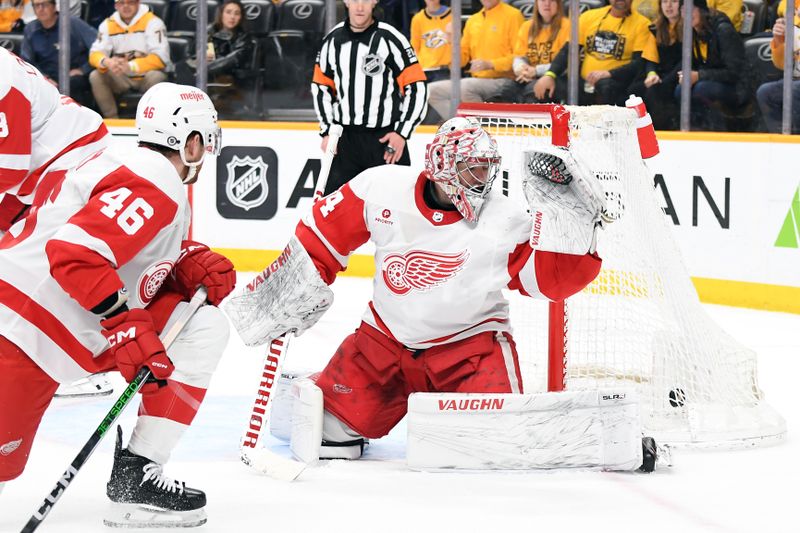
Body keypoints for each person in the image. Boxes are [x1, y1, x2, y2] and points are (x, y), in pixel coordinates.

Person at [241, 118, 604, 461]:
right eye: (473, 168)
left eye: (487, 168)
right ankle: (315, 386)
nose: (484, 179)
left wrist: (576, 236)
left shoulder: (505, 219)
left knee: (493, 443)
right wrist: (290, 288)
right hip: (382, 347)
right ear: (442, 167)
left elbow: (548, 282)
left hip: (468, 354)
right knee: (330, 433)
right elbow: (322, 236)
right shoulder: (381, 188)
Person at [0, 82, 236, 528]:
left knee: (200, 326)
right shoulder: (157, 180)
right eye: (206, 142)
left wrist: (181, 262)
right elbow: (75, 253)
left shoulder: (128, 163)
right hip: (20, 328)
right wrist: (122, 322)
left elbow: (115, 248)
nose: (206, 155)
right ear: (190, 142)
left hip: (60, 321)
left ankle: (137, 476)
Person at [311, 0, 428, 196]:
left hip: (384, 140)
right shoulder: (332, 41)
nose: (359, 7)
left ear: (374, 2)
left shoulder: (391, 39)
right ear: (346, 2)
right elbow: (321, 87)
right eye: (354, 0)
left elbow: (417, 86)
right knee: (334, 213)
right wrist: (327, 130)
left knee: (394, 211)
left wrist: (402, 132)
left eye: (365, 0)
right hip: (344, 142)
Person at [0, 47, 108, 233]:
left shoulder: (4, 82)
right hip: (44, 160)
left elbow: (11, 169)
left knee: (24, 251)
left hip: (73, 155)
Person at [534, 0, 657, 105]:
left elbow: (638, 64)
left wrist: (609, 73)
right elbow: (569, 50)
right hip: (583, 83)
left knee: (606, 86)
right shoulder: (589, 17)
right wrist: (550, 74)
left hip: (615, 84)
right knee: (546, 85)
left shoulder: (642, 24)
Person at [427, 0, 524, 121]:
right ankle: (461, 124)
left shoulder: (513, 15)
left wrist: (491, 64)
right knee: (431, 91)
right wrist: (453, 41)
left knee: (466, 87)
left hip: (505, 80)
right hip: (476, 80)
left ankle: (480, 130)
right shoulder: (473, 20)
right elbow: (460, 62)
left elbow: (520, 56)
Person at [88, 0, 170, 118]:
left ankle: (153, 120)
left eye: (130, 2)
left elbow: (161, 58)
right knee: (96, 75)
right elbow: (94, 53)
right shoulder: (107, 24)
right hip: (121, 75)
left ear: (138, 3)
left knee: (157, 78)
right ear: (116, 5)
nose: (126, 6)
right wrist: (107, 62)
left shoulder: (153, 22)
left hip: (146, 75)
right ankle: (112, 121)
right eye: (121, 3)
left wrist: (131, 66)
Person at [673, 0, 747, 130]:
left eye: (691, 9)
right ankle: (696, 129)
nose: (687, 14)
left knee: (702, 88)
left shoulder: (723, 30)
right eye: (683, 10)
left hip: (737, 87)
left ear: (701, 10)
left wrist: (699, 75)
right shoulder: (691, 32)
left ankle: (716, 131)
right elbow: (693, 64)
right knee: (680, 90)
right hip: (710, 81)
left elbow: (734, 72)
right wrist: (686, 75)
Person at [177, 0, 256, 116]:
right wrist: (200, 57)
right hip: (204, 71)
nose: (232, 17)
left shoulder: (244, 37)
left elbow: (233, 60)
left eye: (236, 13)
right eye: (228, 12)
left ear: (241, 17)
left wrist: (205, 68)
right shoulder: (208, 31)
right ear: (221, 14)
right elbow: (191, 53)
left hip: (228, 75)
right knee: (180, 67)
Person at [21, 0, 98, 108]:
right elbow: (26, 61)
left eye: (45, 4)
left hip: (74, 76)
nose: (41, 9)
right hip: (45, 78)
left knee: (74, 84)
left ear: (54, 6)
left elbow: (99, 46)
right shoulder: (30, 29)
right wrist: (44, 78)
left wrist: (83, 69)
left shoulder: (73, 23)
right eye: (37, 5)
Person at [629, 0, 683, 129]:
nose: (668, 6)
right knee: (634, 89)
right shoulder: (656, 28)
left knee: (656, 90)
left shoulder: (689, 27)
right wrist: (651, 74)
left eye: (674, 1)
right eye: (664, 2)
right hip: (661, 74)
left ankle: (662, 129)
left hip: (680, 75)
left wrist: (665, 80)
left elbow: (687, 60)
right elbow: (651, 58)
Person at [512, 0, 570, 103]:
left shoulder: (568, 26)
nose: (547, 3)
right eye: (542, 0)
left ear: (558, 5)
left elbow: (565, 64)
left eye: (551, 1)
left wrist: (536, 71)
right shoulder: (526, 26)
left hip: (556, 77)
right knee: (507, 90)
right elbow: (519, 57)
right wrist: (522, 70)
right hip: (529, 75)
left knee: (532, 92)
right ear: (536, 3)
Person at [756, 7, 800, 132]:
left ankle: (796, 139)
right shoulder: (794, 22)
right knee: (765, 93)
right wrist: (779, 41)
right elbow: (782, 65)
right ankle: (781, 140)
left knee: (795, 90)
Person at [409, 0, 452, 83]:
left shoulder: (453, 15)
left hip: (444, 70)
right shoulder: (417, 18)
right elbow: (414, 47)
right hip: (423, 70)